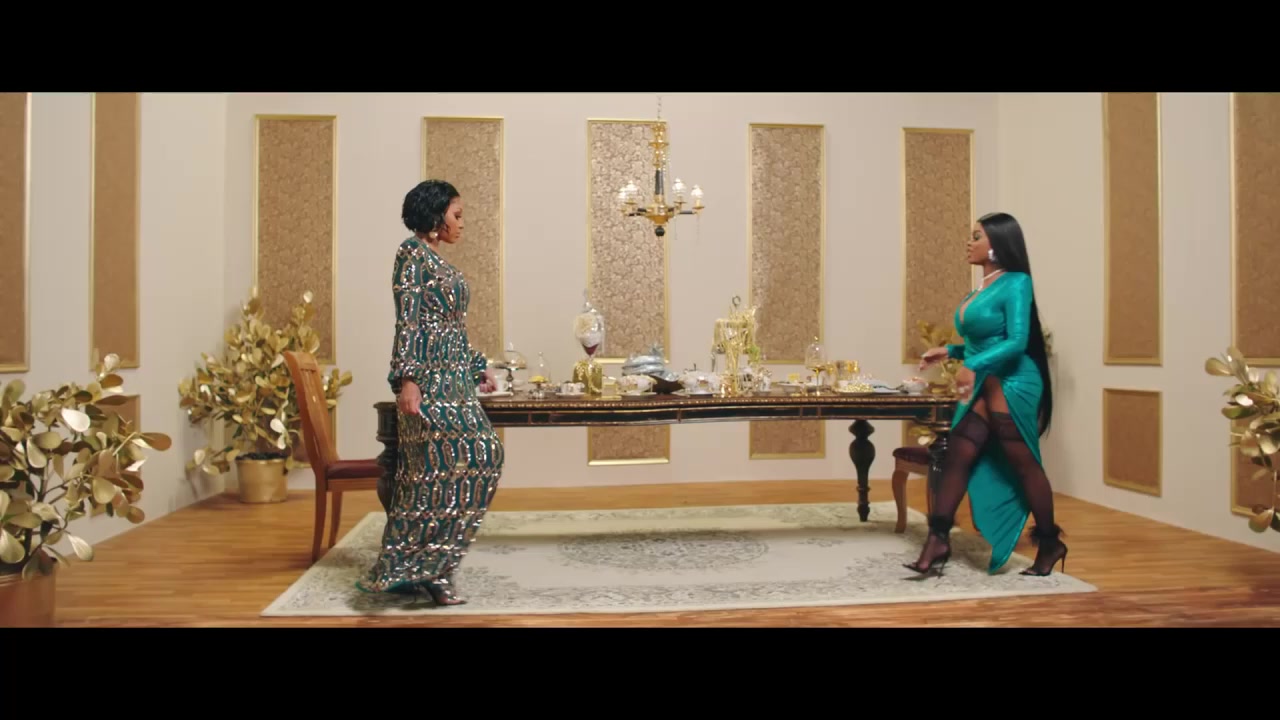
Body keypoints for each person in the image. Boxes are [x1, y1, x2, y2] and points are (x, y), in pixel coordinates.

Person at [356, 179, 504, 604]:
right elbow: (409, 322)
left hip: (455, 382)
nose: (462, 223)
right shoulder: (411, 255)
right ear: (437, 216)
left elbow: (449, 328)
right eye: (457, 215)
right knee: (430, 476)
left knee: (480, 459)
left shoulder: (436, 259)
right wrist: (408, 380)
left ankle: (428, 565)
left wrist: (478, 365)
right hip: (431, 385)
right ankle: (428, 571)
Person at [906, 211, 1065, 577]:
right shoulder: (980, 288)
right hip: (986, 379)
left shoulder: (1017, 282)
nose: (969, 242)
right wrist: (950, 351)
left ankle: (1049, 541)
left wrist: (973, 365)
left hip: (1013, 381)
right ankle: (938, 538)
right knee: (958, 454)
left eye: (976, 236)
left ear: (997, 244)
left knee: (1023, 462)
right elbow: (985, 341)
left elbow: (1016, 342)